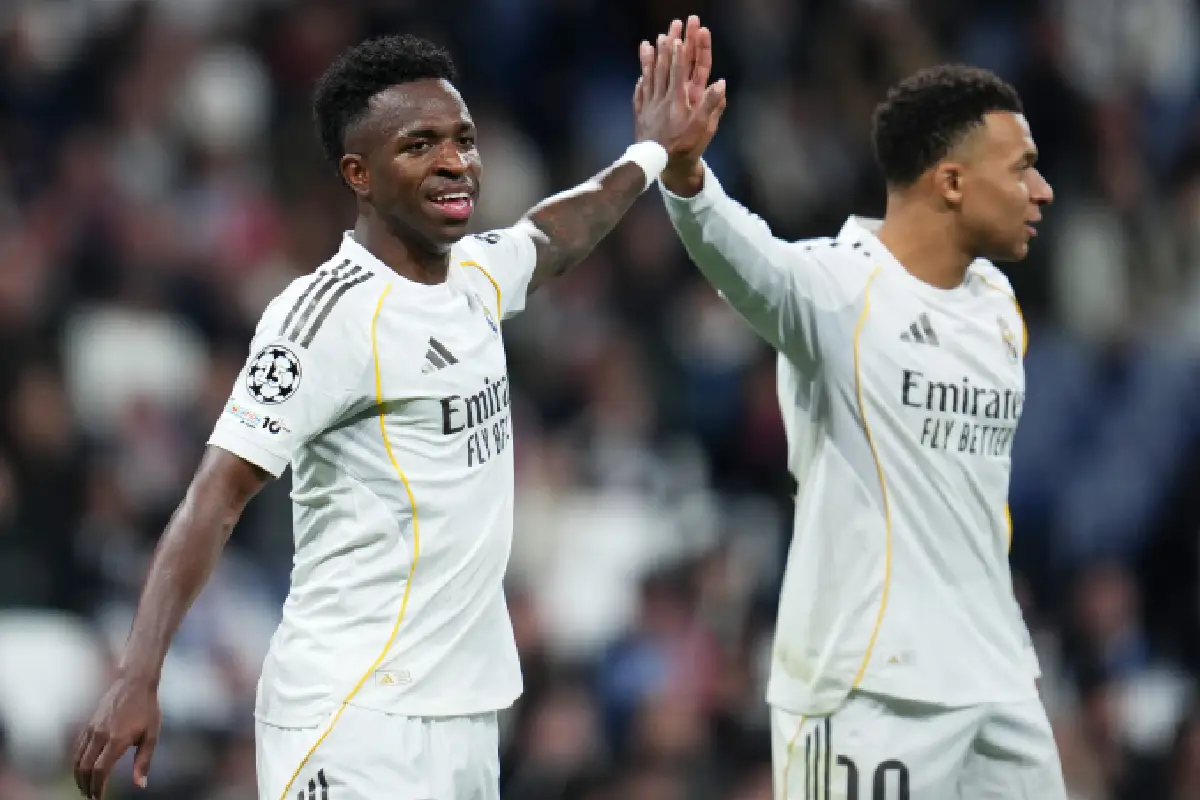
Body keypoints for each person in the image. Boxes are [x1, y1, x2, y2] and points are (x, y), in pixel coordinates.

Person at [71, 30, 725, 800]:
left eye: (463, 139)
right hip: (354, 714)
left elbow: (554, 236)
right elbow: (214, 495)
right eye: (421, 145)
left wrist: (649, 152)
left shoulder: (475, 276)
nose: (456, 161)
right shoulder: (322, 319)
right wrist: (137, 675)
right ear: (361, 174)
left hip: (466, 715)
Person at [637, 18, 1065, 798]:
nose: (1043, 189)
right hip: (868, 688)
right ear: (953, 182)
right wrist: (687, 173)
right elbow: (746, 258)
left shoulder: (998, 305)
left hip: (997, 679)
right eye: (1024, 168)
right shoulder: (837, 291)